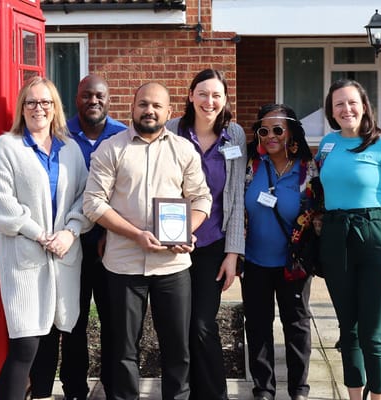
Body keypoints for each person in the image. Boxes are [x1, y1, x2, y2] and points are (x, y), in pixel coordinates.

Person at [83, 82, 212, 400]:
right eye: (143, 104)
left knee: (177, 348)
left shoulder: (183, 150)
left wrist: (188, 231)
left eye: (156, 105)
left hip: (173, 265)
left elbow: (201, 199)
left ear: (169, 112)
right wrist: (136, 235)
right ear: (132, 107)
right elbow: (93, 204)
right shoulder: (111, 149)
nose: (149, 110)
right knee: (124, 349)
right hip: (124, 264)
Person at [0, 76, 92, 400]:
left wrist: (70, 232)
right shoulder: (7, 146)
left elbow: (84, 197)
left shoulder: (70, 148)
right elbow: (0, 205)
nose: (38, 108)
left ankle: (42, 396)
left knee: (51, 342)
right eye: (31, 102)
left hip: (64, 260)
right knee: (25, 346)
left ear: (55, 107)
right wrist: (42, 235)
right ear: (22, 108)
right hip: (26, 262)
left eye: (45, 102)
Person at [28, 74, 128, 400]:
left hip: (112, 246)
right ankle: (74, 389)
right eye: (87, 96)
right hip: (69, 246)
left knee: (115, 324)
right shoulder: (61, 134)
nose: (93, 101)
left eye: (99, 96)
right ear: (76, 99)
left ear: (108, 99)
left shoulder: (124, 136)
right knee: (71, 323)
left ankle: (114, 388)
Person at [316, 79, 381, 400]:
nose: (346, 109)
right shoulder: (328, 145)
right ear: (331, 112)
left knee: (372, 334)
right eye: (338, 104)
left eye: (351, 102)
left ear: (364, 105)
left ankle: (379, 397)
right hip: (336, 239)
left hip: (376, 237)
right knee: (349, 330)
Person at [164, 68, 246, 400]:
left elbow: (237, 194)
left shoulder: (234, 135)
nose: (209, 101)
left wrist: (233, 254)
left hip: (213, 243)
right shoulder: (172, 130)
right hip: (174, 243)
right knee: (178, 326)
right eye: (202, 93)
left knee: (202, 324)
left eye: (216, 95)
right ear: (190, 96)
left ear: (225, 100)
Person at [242, 103, 319, 400]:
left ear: (291, 132)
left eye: (278, 129)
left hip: (293, 264)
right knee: (258, 325)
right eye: (264, 130)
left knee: (296, 325)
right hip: (255, 261)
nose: (270, 135)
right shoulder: (251, 165)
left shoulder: (306, 170)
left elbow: (319, 213)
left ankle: (298, 388)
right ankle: (263, 388)